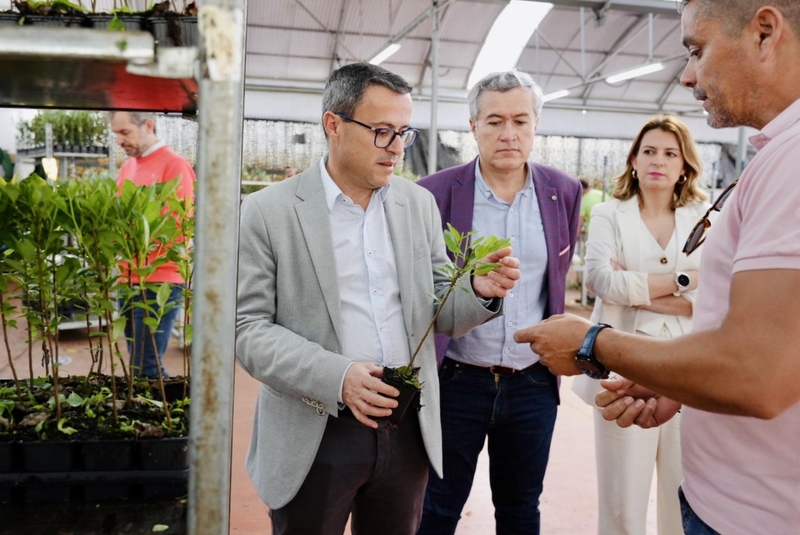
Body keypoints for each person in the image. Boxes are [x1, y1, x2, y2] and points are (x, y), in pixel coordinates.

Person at [514, 1, 800, 534]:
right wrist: (681, 377)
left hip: (754, 515)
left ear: (765, 32)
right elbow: (609, 281)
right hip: (727, 478)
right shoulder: (776, 156)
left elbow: (757, 371)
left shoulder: (791, 162)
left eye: (697, 49)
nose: (689, 75)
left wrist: (592, 342)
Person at [235, 63, 520, 535]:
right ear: (334, 125)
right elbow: (248, 330)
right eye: (382, 131)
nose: (396, 148)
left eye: (404, 132)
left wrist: (477, 292)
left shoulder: (417, 205)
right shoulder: (269, 211)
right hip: (316, 427)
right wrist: (338, 376)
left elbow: (436, 312)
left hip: (406, 425)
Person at [416, 70, 581, 535]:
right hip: (456, 380)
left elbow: (557, 279)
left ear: (536, 124)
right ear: (473, 127)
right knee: (437, 508)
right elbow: (421, 290)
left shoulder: (563, 191)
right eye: (494, 121)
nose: (508, 133)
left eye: (520, 121)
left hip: (532, 383)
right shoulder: (435, 194)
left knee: (521, 508)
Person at [571, 115, 708, 535]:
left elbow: (714, 293)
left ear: (684, 166)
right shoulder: (611, 214)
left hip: (690, 371)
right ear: (633, 159)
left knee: (685, 495)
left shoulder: (703, 217)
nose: (658, 161)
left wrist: (635, 285)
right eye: (649, 151)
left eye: (670, 154)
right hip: (620, 371)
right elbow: (601, 282)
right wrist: (684, 284)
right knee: (621, 501)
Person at [111, 111, 195, 377]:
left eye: (125, 133)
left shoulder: (175, 165)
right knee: (138, 362)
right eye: (116, 133)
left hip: (160, 278)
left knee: (145, 365)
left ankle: (168, 415)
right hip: (127, 278)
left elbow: (177, 227)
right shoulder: (127, 168)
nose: (119, 140)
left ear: (148, 125)